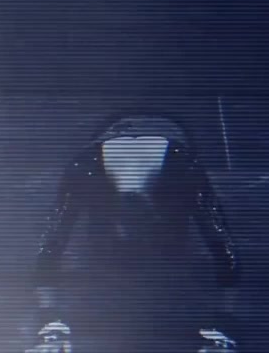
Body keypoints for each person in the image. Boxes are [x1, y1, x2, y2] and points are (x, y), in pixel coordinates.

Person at [27, 114, 242, 353]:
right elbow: (51, 244)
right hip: (117, 144)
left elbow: (223, 246)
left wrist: (223, 327)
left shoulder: (183, 168)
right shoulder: (84, 169)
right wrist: (50, 323)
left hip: (163, 142)